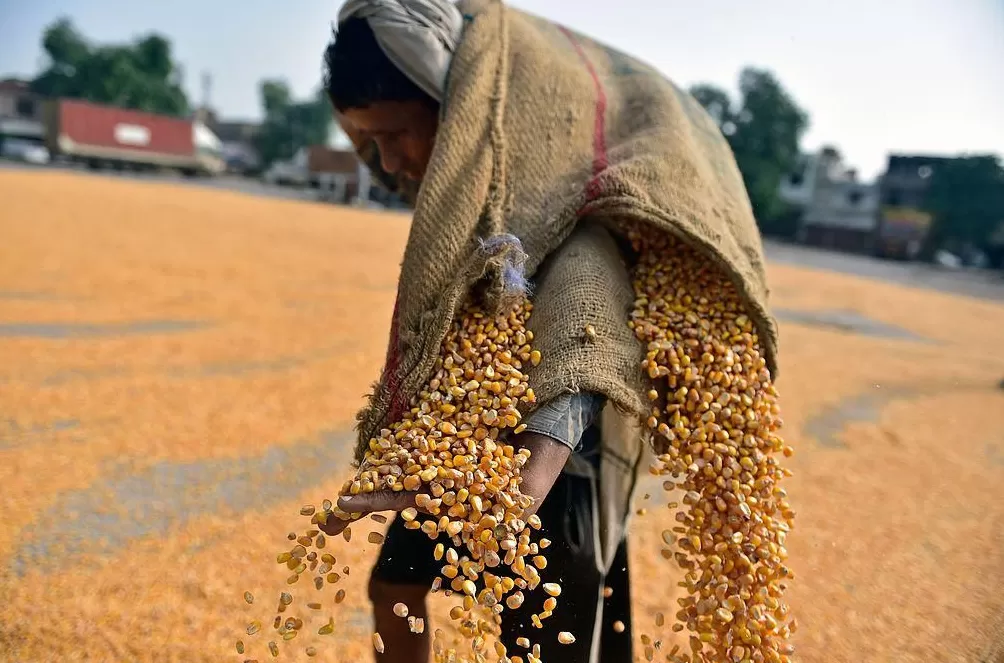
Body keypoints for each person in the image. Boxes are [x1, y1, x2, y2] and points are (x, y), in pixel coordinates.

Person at [317, 3, 637, 662]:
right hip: (469, 441)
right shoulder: (461, 199)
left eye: (400, 134)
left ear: (453, 102)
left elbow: (588, 337)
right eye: (371, 142)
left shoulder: (559, 179)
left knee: (549, 630)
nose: (394, 161)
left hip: (566, 456)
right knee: (397, 585)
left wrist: (526, 480)